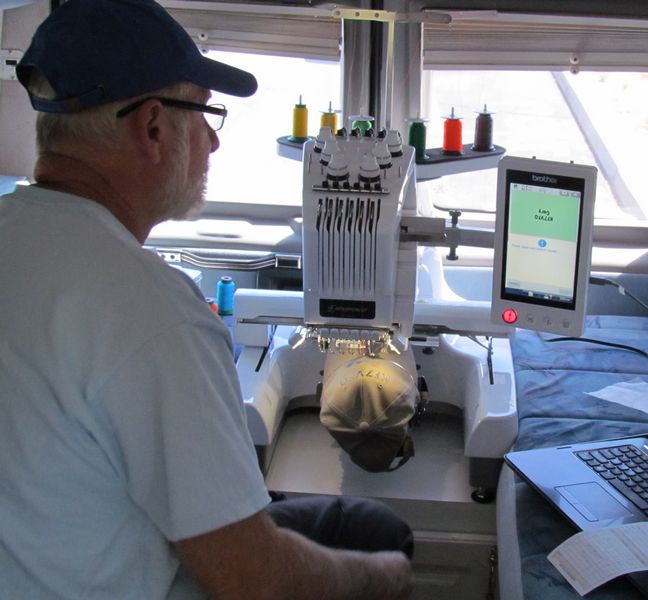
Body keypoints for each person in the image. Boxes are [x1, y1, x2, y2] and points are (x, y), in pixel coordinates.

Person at [0, 1, 413, 598]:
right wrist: (385, 583)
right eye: (205, 114)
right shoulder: (151, 312)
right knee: (382, 547)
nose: (213, 143)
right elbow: (254, 579)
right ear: (152, 128)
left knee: (361, 524)